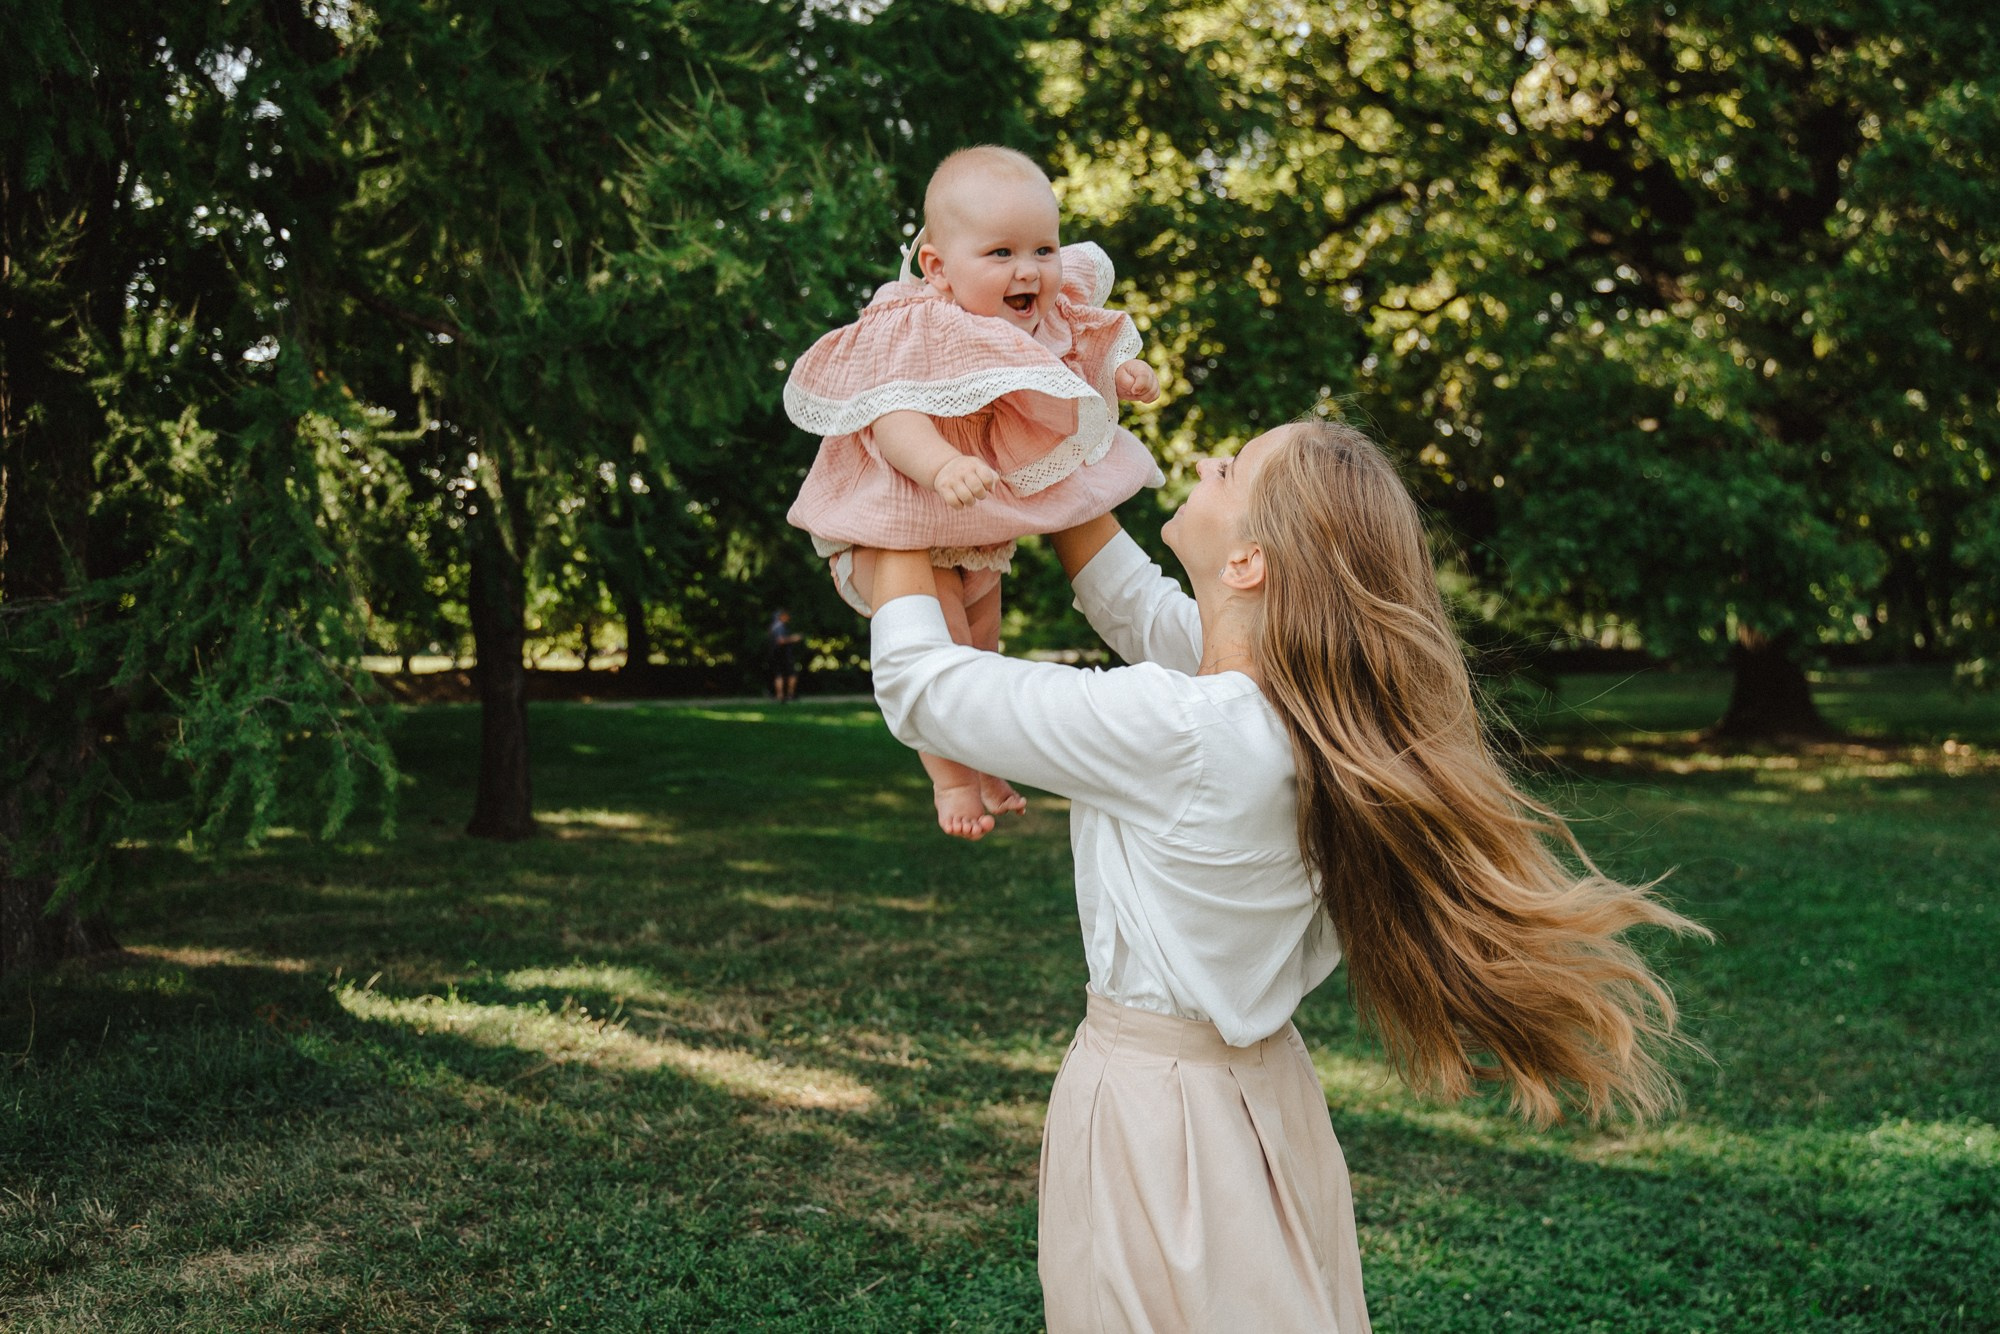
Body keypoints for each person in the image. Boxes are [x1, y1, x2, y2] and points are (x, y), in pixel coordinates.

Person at [860, 419, 1708, 1331]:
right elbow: (1133, 602)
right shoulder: (1292, 702)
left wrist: (890, 491)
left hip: (1161, 1118)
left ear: (1248, 564)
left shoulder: (1187, 728)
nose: (1202, 465)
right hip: (1258, 1095)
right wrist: (1050, 435)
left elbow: (921, 686)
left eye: (1229, 470)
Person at [784, 145, 1164, 839]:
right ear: (937, 267)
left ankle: (986, 764)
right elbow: (892, 416)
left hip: (971, 530)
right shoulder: (918, 322)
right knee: (949, 656)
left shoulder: (1040, 319)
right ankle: (952, 784)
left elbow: (1079, 360)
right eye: (1001, 253)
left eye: (1044, 248)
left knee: (983, 651)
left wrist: (1123, 376)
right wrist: (937, 466)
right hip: (897, 517)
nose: (1030, 270)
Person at [766, 609, 804, 703]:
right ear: (781, 617)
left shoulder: (773, 627)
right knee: (791, 674)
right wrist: (794, 638)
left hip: (775, 654)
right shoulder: (780, 627)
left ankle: (780, 695)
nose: (788, 617)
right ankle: (790, 694)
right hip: (784, 654)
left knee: (778, 675)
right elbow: (781, 640)